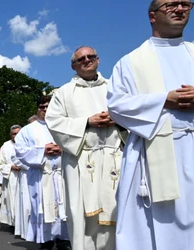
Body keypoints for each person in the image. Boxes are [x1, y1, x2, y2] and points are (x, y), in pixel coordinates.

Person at [107, 1, 194, 249]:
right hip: (155, 151)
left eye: (186, 3)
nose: (180, 9)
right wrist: (164, 99)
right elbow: (116, 105)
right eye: (171, 4)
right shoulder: (131, 62)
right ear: (152, 16)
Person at [45, 46, 126, 250]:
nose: (87, 60)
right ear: (74, 65)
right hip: (80, 160)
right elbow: (53, 122)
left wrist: (116, 119)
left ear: (98, 60)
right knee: (80, 212)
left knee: (118, 209)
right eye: (81, 59)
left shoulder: (114, 87)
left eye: (91, 57)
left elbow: (132, 114)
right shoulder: (63, 92)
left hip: (114, 157)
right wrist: (88, 121)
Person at [16, 96, 71, 250]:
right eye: (42, 107)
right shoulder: (28, 130)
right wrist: (43, 150)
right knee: (41, 206)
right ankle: (45, 240)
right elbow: (20, 151)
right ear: (37, 109)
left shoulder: (63, 125)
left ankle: (63, 239)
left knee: (63, 205)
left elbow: (76, 142)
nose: (45, 110)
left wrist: (62, 149)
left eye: (48, 106)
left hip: (62, 174)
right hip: (41, 176)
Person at [0, 125, 23, 226]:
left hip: (25, 176)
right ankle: (14, 223)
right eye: (14, 133)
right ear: (10, 135)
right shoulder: (5, 146)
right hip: (11, 177)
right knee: (13, 200)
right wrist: (11, 167)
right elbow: (0, 165)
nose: (16, 135)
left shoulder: (27, 144)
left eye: (18, 133)